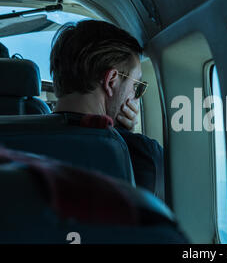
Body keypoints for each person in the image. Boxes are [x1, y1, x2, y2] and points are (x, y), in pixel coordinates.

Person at [50, 20, 163, 197]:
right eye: (136, 86)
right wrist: (127, 139)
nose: (135, 97)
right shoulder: (142, 155)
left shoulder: (14, 142)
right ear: (111, 80)